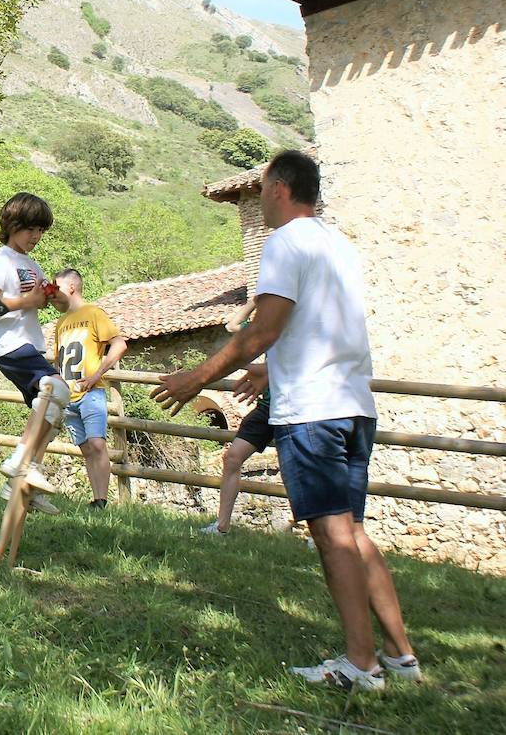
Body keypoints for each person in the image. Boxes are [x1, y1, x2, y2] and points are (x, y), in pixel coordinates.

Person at [152, 150, 418, 691]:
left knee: (331, 535)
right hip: (352, 405)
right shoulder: (337, 245)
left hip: (313, 413)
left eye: (264, 192)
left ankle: (361, 666)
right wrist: (270, 372)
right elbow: (317, 330)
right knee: (354, 530)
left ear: (276, 189)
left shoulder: (284, 243)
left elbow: (264, 328)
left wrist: (196, 378)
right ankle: (400, 655)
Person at [0, 192, 60, 515]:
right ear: (13, 225)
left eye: (41, 231)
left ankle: (22, 481)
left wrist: (55, 296)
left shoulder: (30, 263)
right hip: (10, 344)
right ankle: (18, 463)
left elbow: (42, 299)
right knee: (58, 390)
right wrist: (28, 302)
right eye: (31, 230)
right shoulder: (1, 260)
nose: (37, 237)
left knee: (53, 414)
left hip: (29, 344)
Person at [46, 268, 127, 509]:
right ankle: (95, 499)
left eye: (56, 286)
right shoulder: (60, 323)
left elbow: (119, 344)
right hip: (67, 395)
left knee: (97, 443)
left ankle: (102, 499)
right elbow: (59, 360)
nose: (52, 292)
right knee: (85, 448)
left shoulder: (93, 313)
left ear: (71, 287)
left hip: (90, 392)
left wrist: (97, 375)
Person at [200, 299, 275, 536]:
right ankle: (221, 527)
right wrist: (256, 300)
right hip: (267, 407)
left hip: (296, 408)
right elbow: (233, 326)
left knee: (302, 469)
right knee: (232, 458)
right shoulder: (268, 330)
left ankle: (315, 534)